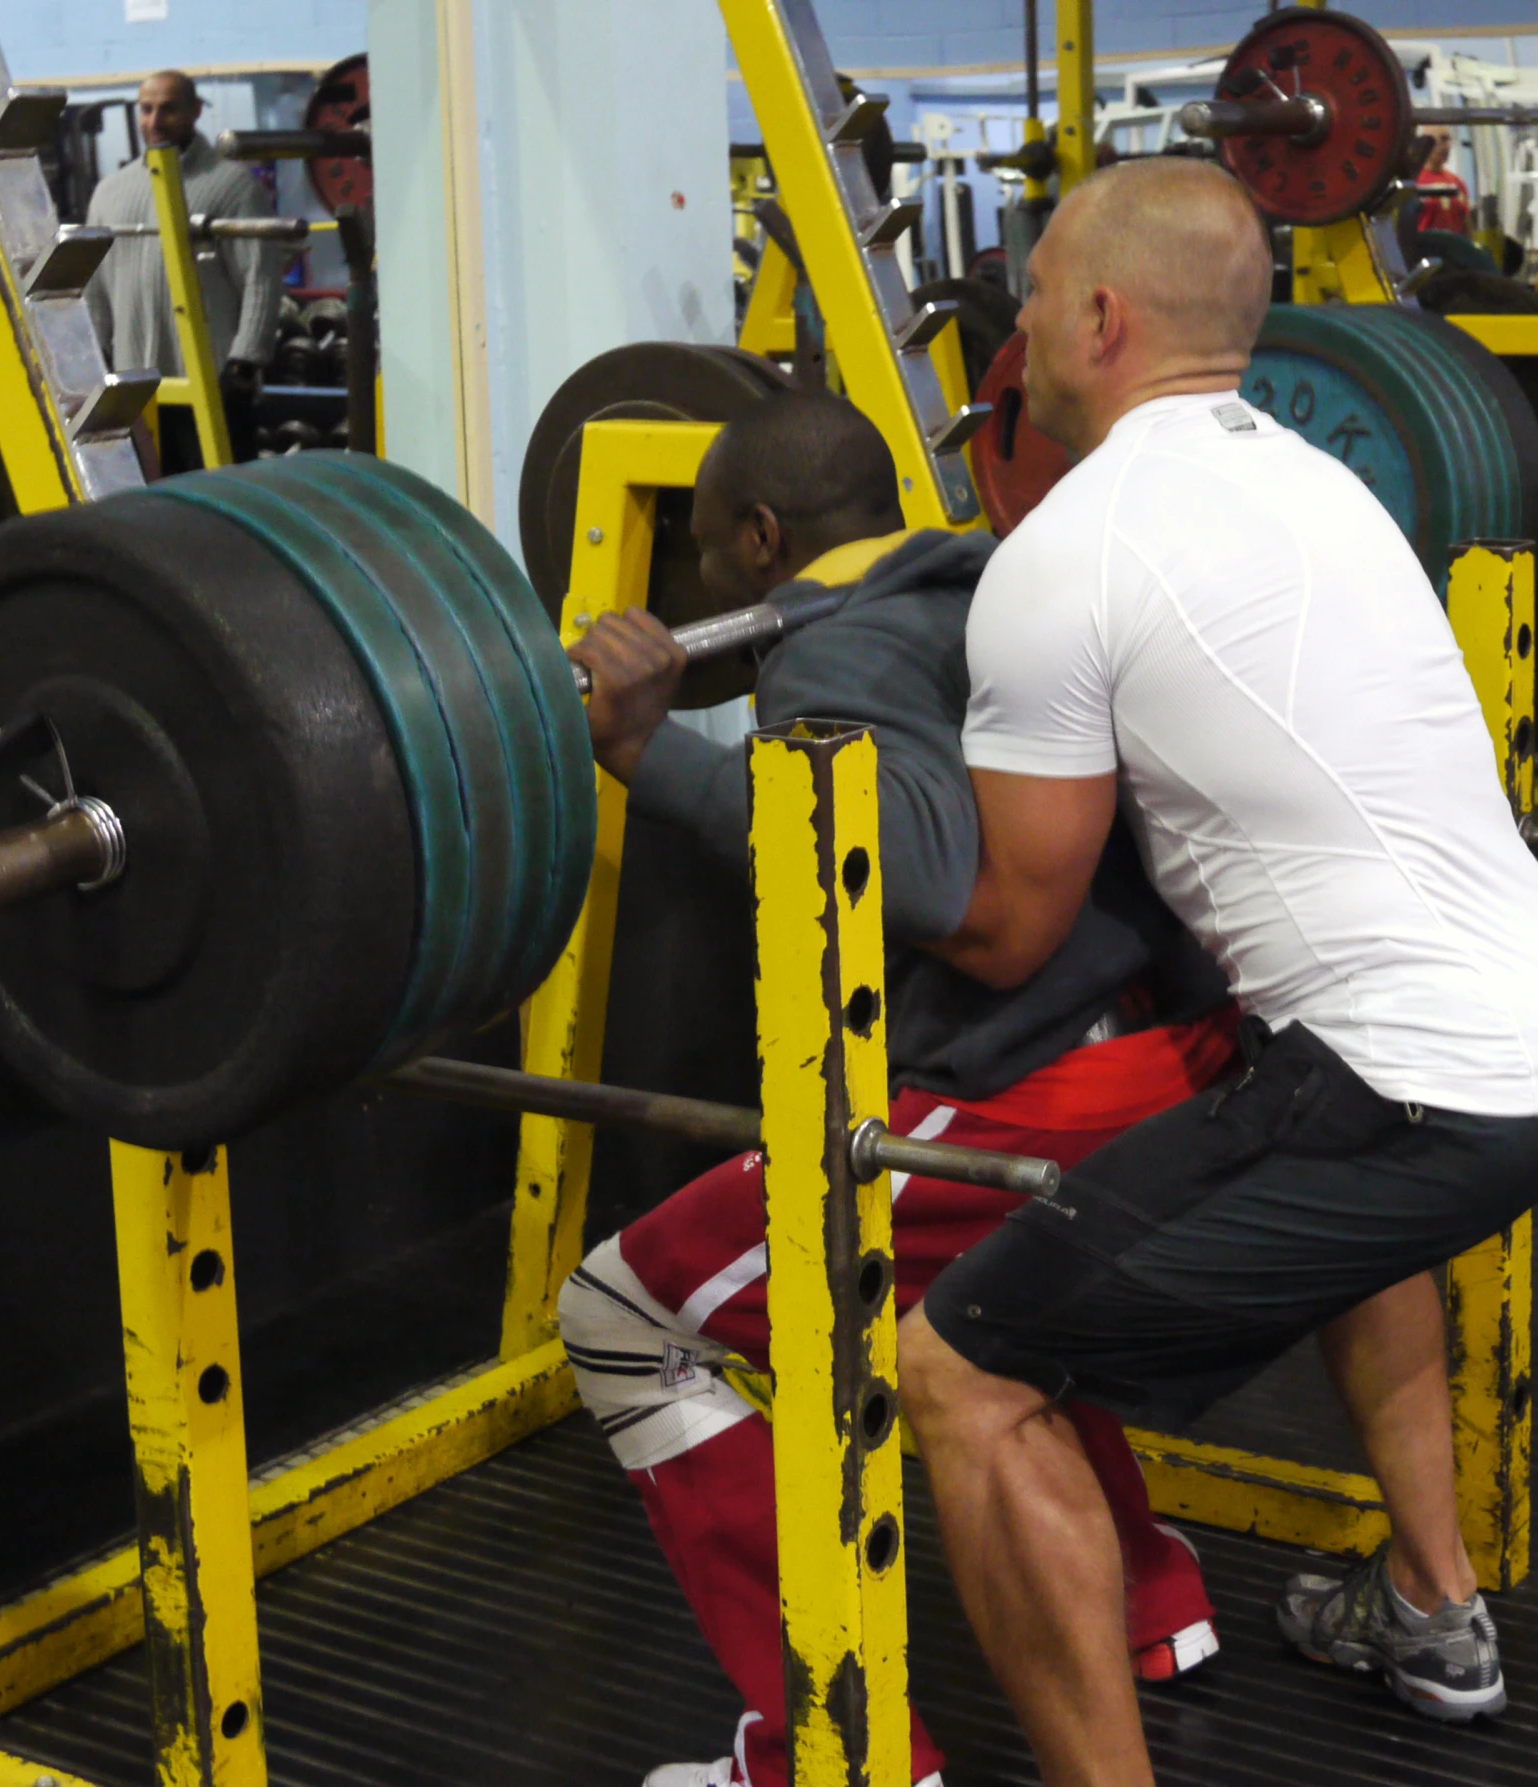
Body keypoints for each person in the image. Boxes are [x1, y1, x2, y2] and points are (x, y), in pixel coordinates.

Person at [893, 157, 1538, 1787]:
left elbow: (1012, 920)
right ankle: (1432, 1606)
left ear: (1098, 319)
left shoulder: (1065, 554)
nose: (1013, 332)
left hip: (1421, 1080)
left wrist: (781, 829)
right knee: (1321, 1165)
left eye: (1025, 301)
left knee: (962, 1365)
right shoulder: (1326, 481)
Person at [557, 391, 1247, 1787]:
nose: (697, 583)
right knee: (996, 1303)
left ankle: (833, 1749)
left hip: (1021, 1092)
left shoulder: (841, 653)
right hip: (1169, 1056)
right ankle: (1146, 1603)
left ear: (759, 539)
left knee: (624, 1313)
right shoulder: (997, 579)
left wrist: (645, 749)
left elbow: (919, 878)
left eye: (699, 551)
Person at [84, 70, 284, 468]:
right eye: (146, 110)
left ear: (195, 112)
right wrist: (91, 359)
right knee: (147, 509)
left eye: (168, 110)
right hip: (136, 390)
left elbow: (260, 277)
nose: (154, 122)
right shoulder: (109, 192)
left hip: (213, 386)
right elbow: (96, 289)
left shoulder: (232, 186)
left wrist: (245, 362)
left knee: (220, 508)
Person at [1414, 126, 1472, 235]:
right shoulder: (1414, 183)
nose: (1448, 146)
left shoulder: (1458, 183)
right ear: (1426, 144)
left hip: (1454, 249)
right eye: (1443, 140)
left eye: (1449, 140)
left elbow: (1467, 227)